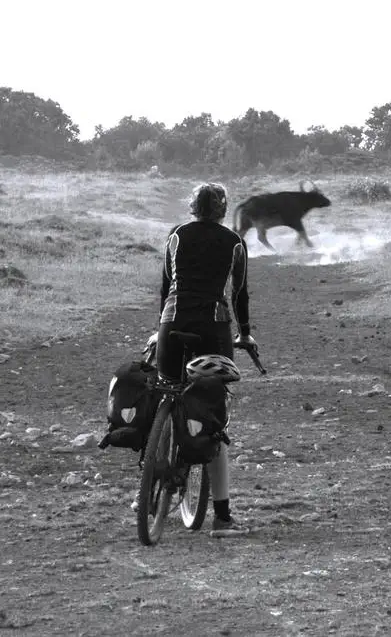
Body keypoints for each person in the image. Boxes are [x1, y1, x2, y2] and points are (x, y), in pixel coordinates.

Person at [153, 182, 257, 537]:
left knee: (164, 392)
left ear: (192, 207)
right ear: (223, 210)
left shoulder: (176, 236)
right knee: (215, 419)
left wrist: (160, 328)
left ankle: (147, 490)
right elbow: (239, 294)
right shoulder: (234, 242)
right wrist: (245, 333)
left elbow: (166, 288)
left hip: (171, 324)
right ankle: (222, 517)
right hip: (213, 329)